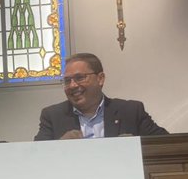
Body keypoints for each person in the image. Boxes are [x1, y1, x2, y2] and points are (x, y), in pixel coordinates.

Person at [34, 53, 168, 140]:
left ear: (100, 79)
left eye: (80, 78)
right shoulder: (52, 116)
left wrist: (134, 146)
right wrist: (58, 147)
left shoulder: (131, 111)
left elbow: (168, 145)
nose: (72, 85)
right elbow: (35, 158)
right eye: (67, 81)